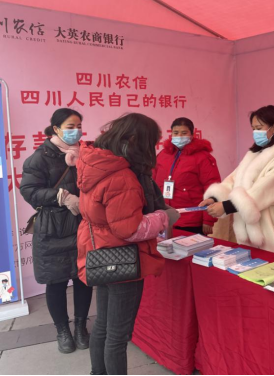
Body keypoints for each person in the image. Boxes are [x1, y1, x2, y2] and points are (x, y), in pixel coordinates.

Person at [76, 113, 180, 376]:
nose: (152, 150)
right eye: (151, 143)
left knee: (103, 325)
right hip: (122, 261)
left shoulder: (96, 164)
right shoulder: (122, 177)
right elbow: (129, 229)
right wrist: (163, 217)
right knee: (117, 336)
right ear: (135, 140)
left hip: (100, 255)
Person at [20, 108, 93, 354]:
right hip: (53, 230)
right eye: (70, 126)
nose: (76, 131)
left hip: (83, 225)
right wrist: (62, 196)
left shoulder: (86, 153)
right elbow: (29, 191)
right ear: (56, 129)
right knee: (56, 281)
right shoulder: (39, 158)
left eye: (79, 126)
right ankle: (62, 330)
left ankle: (81, 327)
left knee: (83, 279)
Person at [200, 105, 274, 252]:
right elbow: (234, 180)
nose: (255, 133)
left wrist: (226, 206)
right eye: (253, 128)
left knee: (273, 265)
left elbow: (262, 192)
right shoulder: (254, 155)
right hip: (252, 233)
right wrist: (215, 198)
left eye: (259, 128)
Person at [153, 118, 221, 236]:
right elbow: (152, 183)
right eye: (176, 133)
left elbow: (212, 188)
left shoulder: (203, 157)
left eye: (184, 133)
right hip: (164, 217)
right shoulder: (163, 155)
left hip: (190, 219)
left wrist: (208, 220)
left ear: (192, 134)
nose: (179, 136)